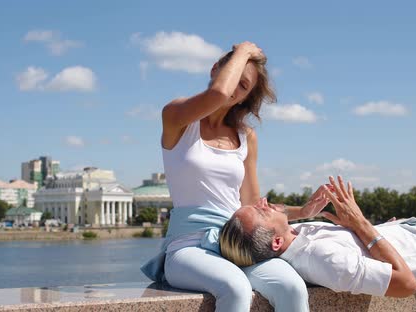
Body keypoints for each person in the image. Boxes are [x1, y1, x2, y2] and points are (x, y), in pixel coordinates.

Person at [141, 42, 333, 312]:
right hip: (187, 248)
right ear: (215, 69)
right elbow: (218, 93)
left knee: (291, 286)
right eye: (232, 75)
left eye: (243, 86)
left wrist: (302, 211)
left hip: (239, 246)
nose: (232, 89)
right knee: (234, 287)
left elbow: (253, 204)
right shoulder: (177, 118)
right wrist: (244, 51)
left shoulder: (246, 138)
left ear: (245, 97)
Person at [220, 137, 416, 298]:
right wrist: (361, 222)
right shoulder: (321, 259)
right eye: (259, 211)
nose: (263, 201)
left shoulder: (297, 238)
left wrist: (382, 230)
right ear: (276, 242)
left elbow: (362, 246)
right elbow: (404, 284)